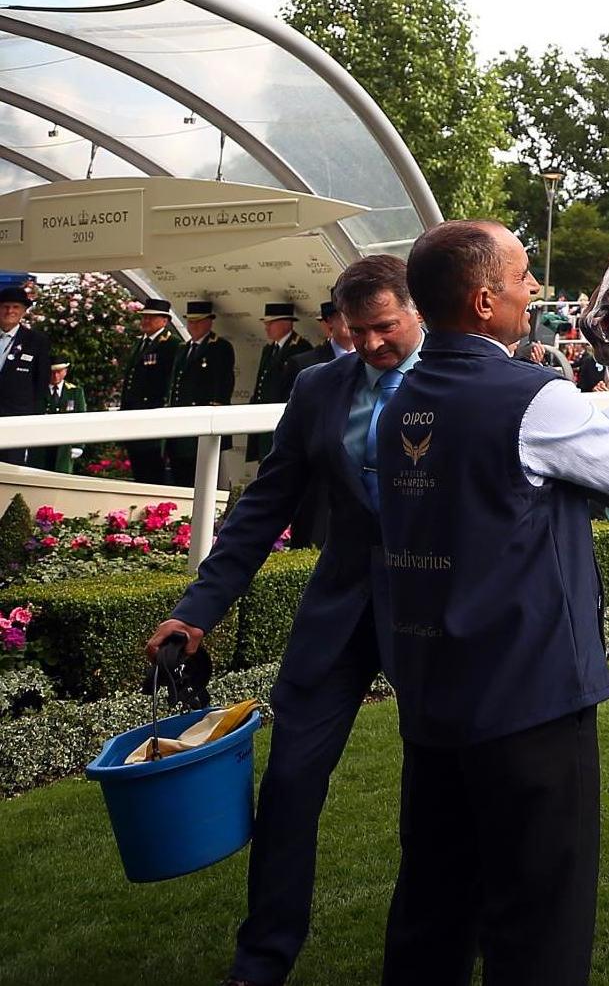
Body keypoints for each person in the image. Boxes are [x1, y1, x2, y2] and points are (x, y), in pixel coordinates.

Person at [375, 221, 609, 984]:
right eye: (524, 275)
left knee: (434, 907)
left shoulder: (403, 397)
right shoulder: (531, 392)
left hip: (435, 695)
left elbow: (528, 442)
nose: (535, 289)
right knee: (539, 920)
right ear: (484, 298)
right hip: (529, 701)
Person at [142, 256, 422, 986]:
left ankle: (440, 946)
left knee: (443, 789)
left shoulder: (462, 381)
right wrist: (195, 612)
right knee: (291, 783)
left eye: (383, 327)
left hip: (434, 620)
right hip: (337, 614)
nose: (366, 345)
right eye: (353, 330)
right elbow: (263, 506)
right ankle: (260, 961)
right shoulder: (316, 385)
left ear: (417, 310)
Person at [171, 299, 240, 486]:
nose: (192, 326)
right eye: (190, 321)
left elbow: (222, 385)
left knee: (205, 477)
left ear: (209, 322)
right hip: (182, 422)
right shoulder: (183, 349)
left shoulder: (219, 347)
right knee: (181, 475)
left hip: (202, 421)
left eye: (198, 321)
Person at [120, 297, 182, 484]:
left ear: (164, 321)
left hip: (151, 413)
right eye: (144, 317)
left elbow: (168, 382)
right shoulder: (141, 343)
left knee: (152, 468)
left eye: (151, 318)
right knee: (138, 465)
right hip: (134, 413)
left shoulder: (171, 345)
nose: (146, 321)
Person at [0, 283, 53, 468]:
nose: (10, 311)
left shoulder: (36, 341)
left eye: (15, 307)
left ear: (23, 311)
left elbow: (41, 384)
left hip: (16, 419)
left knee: (11, 471)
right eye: (5, 306)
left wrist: (33, 420)